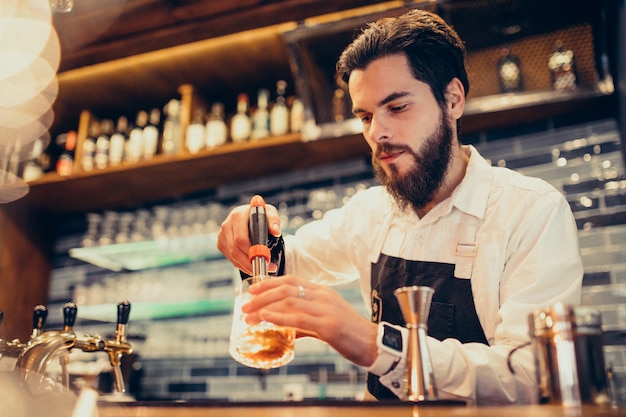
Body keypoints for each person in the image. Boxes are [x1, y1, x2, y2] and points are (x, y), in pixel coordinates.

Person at [217, 8, 583, 405]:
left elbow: (530, 378)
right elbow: (287, 263)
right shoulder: (370, 213)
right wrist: (254, 238)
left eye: (397, 107)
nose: (378, 132)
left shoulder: (530, 212)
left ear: (453, 99)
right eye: (366, 116)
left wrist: (375, 344)